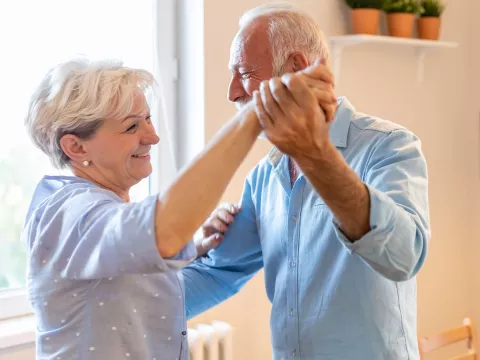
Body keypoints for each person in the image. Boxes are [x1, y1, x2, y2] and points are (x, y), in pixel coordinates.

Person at [22, 57, 335, 359]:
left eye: (148, 119)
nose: (153, 137)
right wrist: (254, 115)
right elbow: (163, 232)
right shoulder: (66, 212)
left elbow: (147, 296)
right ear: (76, 147)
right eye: (132, 127)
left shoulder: (105, 212)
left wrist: (198, 247)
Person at [183, 4, 431, 360]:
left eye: (244, 72)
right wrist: (121, 307)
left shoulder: (389, 145)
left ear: (296, 68)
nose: (232, 92)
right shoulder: (264, 177)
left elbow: (404, 255)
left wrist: (315, 156)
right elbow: (219, 271)